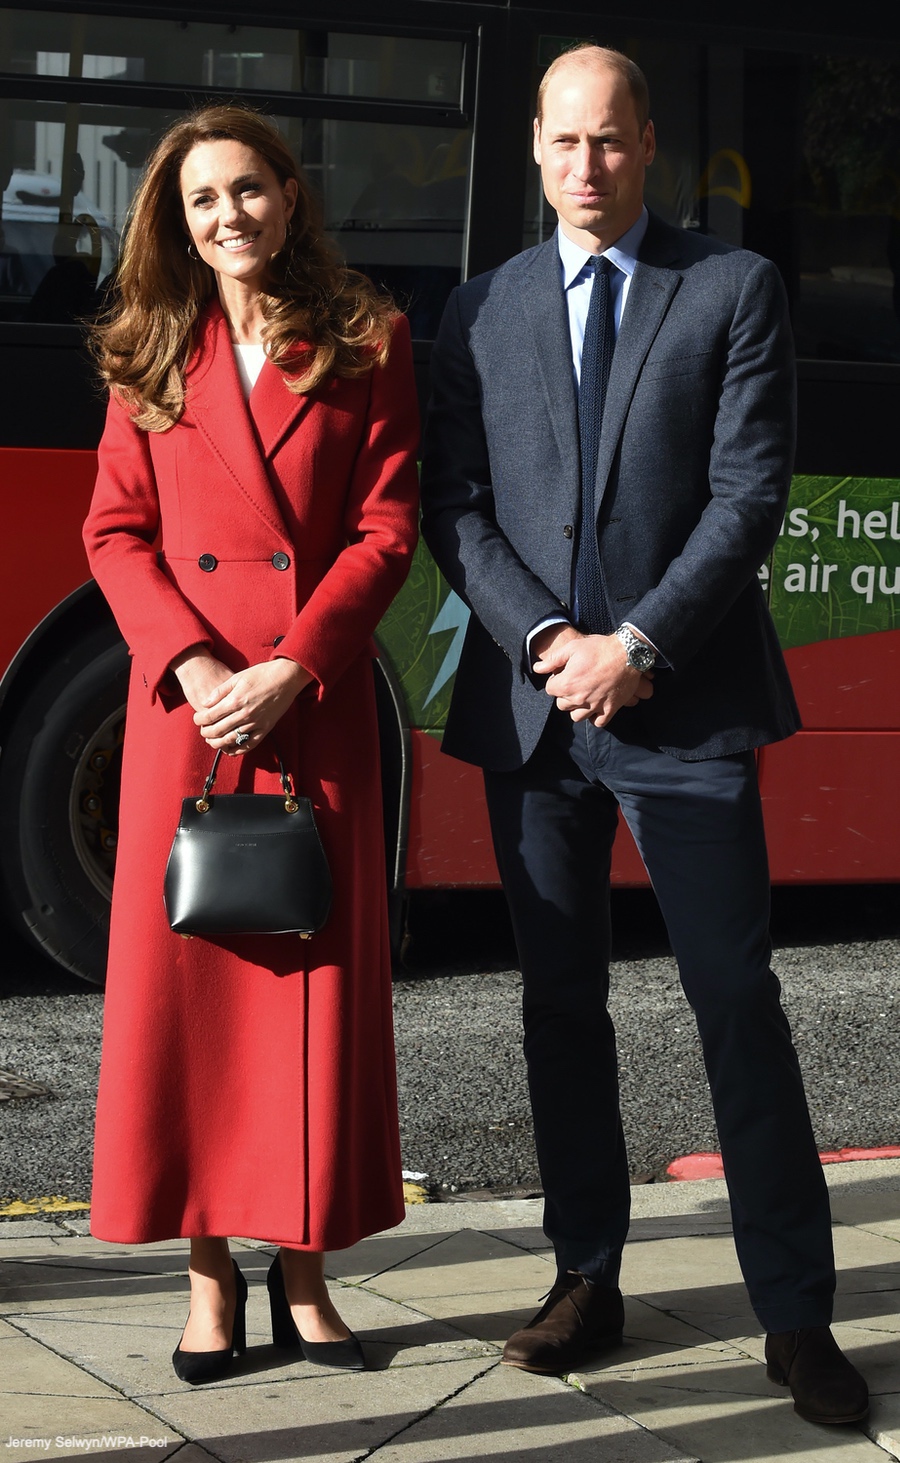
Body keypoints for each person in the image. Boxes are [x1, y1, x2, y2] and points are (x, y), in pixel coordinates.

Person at [420, 44, 869, 1426]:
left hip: (685, 709)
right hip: (537, 712)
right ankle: (585, 1273)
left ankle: (796, 1311)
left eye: (609, 144)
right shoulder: (479, 307)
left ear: (650, 144)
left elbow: (748, 497)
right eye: (563, 144)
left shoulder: (729, 287)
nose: (585, 168)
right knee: (559, 1005)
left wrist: (639, 647)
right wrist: (552, 643)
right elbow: (457, 501)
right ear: (536, 150)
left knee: (736, 1000)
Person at [83, 104, 419, 1384]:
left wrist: (293, 662)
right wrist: (197, 663)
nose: (229, 215)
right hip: (191, 714)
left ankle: (309, 1269)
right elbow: (114, 533)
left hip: (311, 700)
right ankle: (208, 1271)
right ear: (177, 218)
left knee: (308, 986)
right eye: (201, 198)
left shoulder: (368, 337)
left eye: (250, 190)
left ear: (292, 195)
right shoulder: (143, 347)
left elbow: (388, 526)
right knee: (195, 1004)